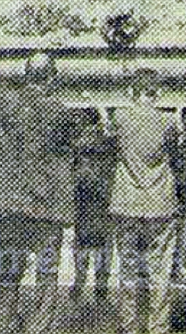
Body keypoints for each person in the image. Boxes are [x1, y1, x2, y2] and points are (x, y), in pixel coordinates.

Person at [0, 51, 78, 334]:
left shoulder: (5, 105)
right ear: (51, 79)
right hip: (47, 209)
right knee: (46, 275)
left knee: (8, 271)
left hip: (11, 205)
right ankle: (38, 329)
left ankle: (1, 326)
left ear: (25, 76)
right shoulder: (60, 111)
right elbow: (66, 153)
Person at [108, 68, 180, 334]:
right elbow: (175, 150)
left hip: (126, 201)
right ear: (157, 93)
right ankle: (158, 328)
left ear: (131, 92)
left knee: (128, 270)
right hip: (160, 203)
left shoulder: (121, 117)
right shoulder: (168, 121)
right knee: (160, 272)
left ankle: (128, 327)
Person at [70, 98, 116, 310]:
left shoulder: (77, 146)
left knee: (82, 245)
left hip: (84, 203)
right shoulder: (107, 143)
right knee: (104, 247)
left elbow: (74, 175)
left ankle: (78, 286)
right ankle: (101, 289)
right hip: (105, 201)